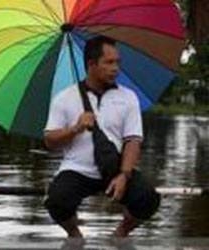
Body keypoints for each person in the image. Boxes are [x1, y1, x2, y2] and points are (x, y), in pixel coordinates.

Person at [43, 35, 160, 239]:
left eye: (117, 62)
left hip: (115, 167)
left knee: (148, 199)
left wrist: (124, 175)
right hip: (77, 170)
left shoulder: (128, 97)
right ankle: (74, 234)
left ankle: (121, 232)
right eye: (109, 62)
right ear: (91, 64)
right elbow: (49, 141)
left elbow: (133, 141)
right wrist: (75, 128)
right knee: (56, 202)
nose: (116, 68)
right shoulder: (64, 98)